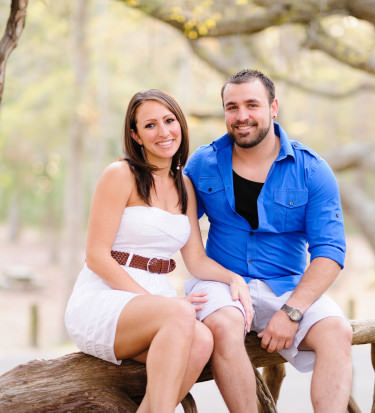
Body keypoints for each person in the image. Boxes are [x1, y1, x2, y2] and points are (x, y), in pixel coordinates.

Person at [64, 89, 252, 412]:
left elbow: (195, 260)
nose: (163, 132)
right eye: (150, 126)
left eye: (169, 121)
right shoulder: (120, 175)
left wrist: (234, 278)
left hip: (157, 299)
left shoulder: (185, 186)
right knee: (181, 312)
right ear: (135, 135)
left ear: (180, 124)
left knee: (204, 339)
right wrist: (154, 302)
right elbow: (96, 256)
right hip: (106, 295)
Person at [184, 69, 354, 412]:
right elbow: (175, 225)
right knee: (224, 323)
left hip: (288, 288)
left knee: (338, 332)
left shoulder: (311, 169)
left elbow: (330, 251)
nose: (242, 116)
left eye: (252, 105)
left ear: (273, 107)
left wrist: (292, 312)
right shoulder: (202, 163)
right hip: (224, 284)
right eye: (232, 107)